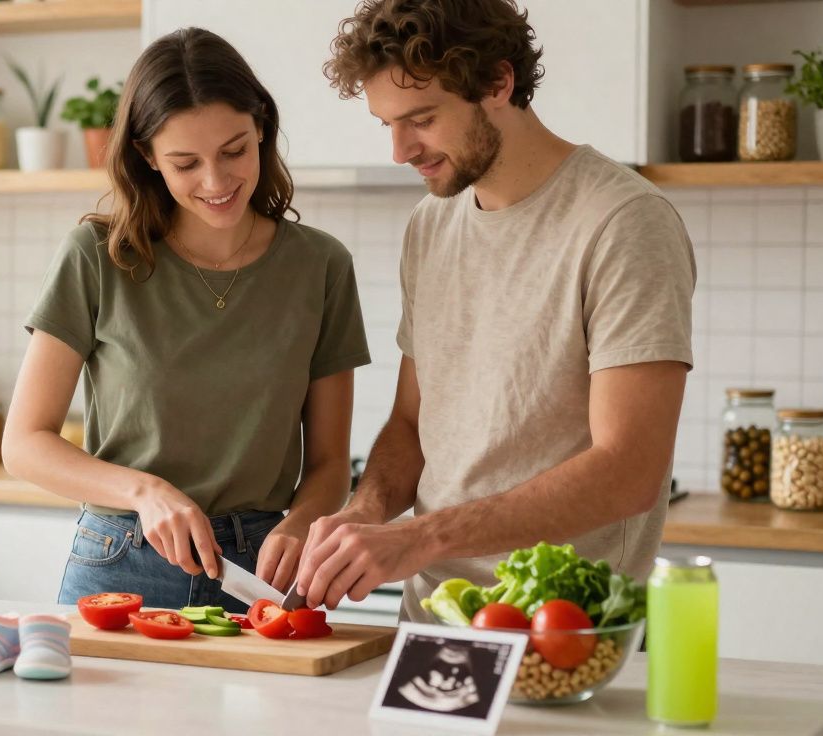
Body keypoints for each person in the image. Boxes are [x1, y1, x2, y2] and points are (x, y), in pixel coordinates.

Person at [294, 0, 695, 621]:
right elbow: (410, 423)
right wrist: (364, 511)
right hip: (434, 619)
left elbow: (630, 471)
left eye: (421, 118)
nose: (401, 150)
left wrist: (420, 537)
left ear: (498, 83)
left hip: (568, 628)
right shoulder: (431, 223)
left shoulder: (623, 223)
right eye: (387, 125)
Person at [3, 28, 372, 611]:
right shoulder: (97, 257)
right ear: (148, 157)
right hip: (121, 559)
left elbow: (328, 462)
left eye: (235, 151)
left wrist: (302, 521)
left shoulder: (320, 266)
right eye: (186, 163)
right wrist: (143, 491)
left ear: (262, 133)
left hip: (263, 570)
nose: (217, 182)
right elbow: (24, 443)